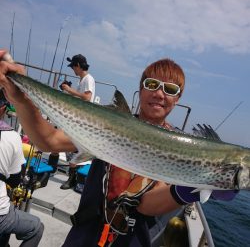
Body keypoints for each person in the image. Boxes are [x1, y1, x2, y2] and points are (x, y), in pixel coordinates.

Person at [0, 49, 237, 247]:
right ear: (141, 88)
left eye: (170, 89)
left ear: (178, 98)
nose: (159, 93)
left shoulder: (181, 145)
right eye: (152, 84)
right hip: (84, 236)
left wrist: (191, 189)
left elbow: (146, 204)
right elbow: (48, 140)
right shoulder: (108, 122)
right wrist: (21, 98)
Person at [0, 89, 44, 247]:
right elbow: (14, 180)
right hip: (1, 216)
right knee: (37, 227)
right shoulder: (12, 137)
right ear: (4, 108)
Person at [60, 54, 95, 190]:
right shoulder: (82, 80)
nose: (73, 70)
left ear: (78, 66)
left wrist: (69, 90)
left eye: (73, 67)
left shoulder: (88, 79)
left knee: (74, 150)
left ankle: (72, 179)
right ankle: (72, 178)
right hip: (77, 119)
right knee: (72, 150)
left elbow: (87, 97)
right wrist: (69, 91)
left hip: (83, 121)